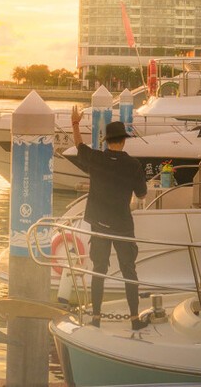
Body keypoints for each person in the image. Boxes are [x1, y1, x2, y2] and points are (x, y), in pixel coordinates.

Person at [67, 105, 148, 330]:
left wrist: (75, 123)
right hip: (122, 225)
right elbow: (141, 194)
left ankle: (96, 318)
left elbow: (79, 145)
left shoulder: (96, 159)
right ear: (123, 141)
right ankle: (134, 320)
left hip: (100, 223)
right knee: (129, 271)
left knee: (98, 270)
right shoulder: (133, 165)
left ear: (107, 141)